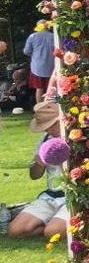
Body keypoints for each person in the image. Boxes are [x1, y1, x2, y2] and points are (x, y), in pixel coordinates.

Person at [4, 101, 69, 239]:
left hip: (70, 195)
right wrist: (39, 163)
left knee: (53, 232)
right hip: (52, 195)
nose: (48, 131)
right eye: (45, 128)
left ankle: (53, 226)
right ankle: (51, 224)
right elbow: (34, 176)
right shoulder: (44, 140)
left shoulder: (77, 137)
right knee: (14, 231)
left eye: (50, 126)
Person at [23, 21, 55, 104]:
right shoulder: (53, 36)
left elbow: (26, 51)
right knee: (52, 87)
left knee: (39, 88)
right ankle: (52, 109)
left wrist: (34, 54)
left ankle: (40, 110)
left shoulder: (33, 36)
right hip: (51, 66)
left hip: (37, 67)